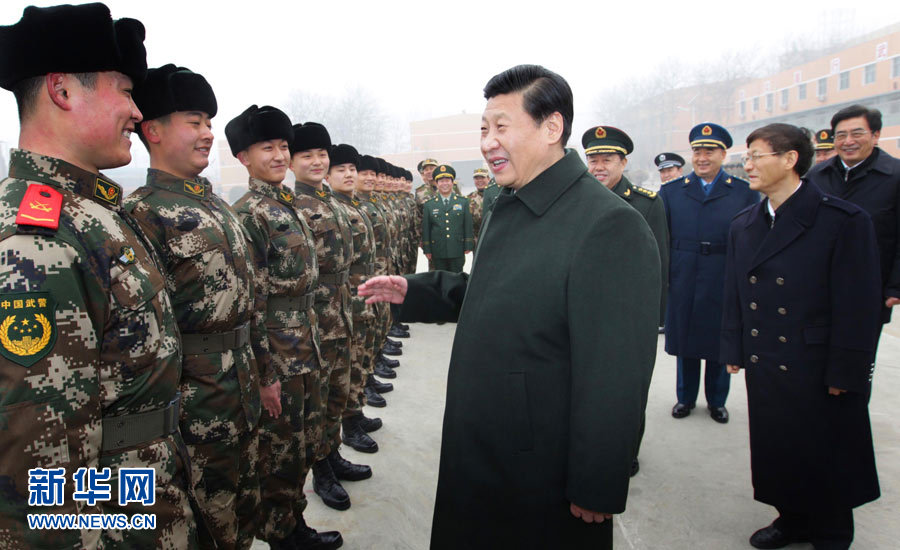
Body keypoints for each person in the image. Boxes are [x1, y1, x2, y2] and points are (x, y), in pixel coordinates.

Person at [359, 64, 659, 550]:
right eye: (484, 128)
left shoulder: (607, 225)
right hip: (483, 442)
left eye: (502, 127)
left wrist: (597, 480)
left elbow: (617, 371)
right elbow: (495, 292)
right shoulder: (511, 203)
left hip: (538, 463)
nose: (487, 142)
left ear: (552, 128)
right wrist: (415, 291)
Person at [0, 4, 199, 548]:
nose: (137, 112)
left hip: (143, 494)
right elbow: (40, 470)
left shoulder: (94, 213)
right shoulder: (37, 239)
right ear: (63, 91)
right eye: (124, 91)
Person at [722, 123, 881, 550]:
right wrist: (734, 345)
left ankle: (830, 531)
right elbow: (736, 291)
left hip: (817, 361)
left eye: (757, 155)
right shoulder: (745, 224)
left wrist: (846, 369)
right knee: (779, 447)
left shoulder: (842, 221)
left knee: (825, 451)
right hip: (766, 359)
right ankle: (791, 518)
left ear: (790, 159)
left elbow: (859, 305)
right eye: (747, 156)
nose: (747, 164)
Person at [125, 64, 261, 550]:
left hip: (240, 392)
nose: (208, 134)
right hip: (193, 411)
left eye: (209, 123)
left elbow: (250, 304)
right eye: (194, 121)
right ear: (153, 129)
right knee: (205, 525)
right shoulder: (141, 215)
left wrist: (262, 378)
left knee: (242, 513)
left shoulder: (219, 207)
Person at [291, 122, 369, 512]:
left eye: (322, 154)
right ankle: (321, 469)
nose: (317, 161)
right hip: (316, 322)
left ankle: (333, 454)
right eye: (307, 155)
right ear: (292, 162)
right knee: (319, 401)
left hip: (342, 313)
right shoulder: (295, 208)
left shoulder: (335, 204)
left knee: (338, 392)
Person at [582, 125, 668, 476]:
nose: (599, 166)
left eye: (606, 159)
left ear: (623, 162)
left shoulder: (647, 203)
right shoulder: (579, 197)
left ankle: (627, 451)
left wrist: (654, 320)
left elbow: (661, 264)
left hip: (630, 315)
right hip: (587, 310)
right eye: (593, 159)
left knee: (629, 389)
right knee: (589, 387)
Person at [659, 122, 759, 424]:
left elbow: (751, 239)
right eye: (697, 151)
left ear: (723, 154)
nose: (702, 157)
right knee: (685, 341)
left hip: (722, 273)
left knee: (720, 340)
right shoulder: (672, 191)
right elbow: (662, 238)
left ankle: (717, 401)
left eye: (709, 151)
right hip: (684, 273)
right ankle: (685, 398)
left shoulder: (742, 192)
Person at [806, 105, 900, 330]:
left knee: (856, 358)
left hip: (870, 286)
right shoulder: (817, 176)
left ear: (875, 135)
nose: (848, 141)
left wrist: (895, 286)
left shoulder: (895, 176)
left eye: (857, 134)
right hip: (817, 287)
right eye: (841, 135)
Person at [326, 143, 382, 454]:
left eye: (352, 169)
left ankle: (356, 414)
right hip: (347, 299)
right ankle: (349, 426)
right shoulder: (335, 208)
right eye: (341, 170)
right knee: (350, 362)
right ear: (328, 175)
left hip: (364, 292)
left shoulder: (353, 205)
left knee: (361, 358)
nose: (349, 175)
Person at [421, 164, 473, 273]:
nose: (445, 184)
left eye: (447, 180)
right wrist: (427, 248)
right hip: (437, 250)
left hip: (457, 248)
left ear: (452, 182)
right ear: (436, 183)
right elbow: (426, 229)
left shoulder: (463, 202)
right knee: (439, 279)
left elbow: (467, 225)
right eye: (441, 181)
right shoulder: (429, 205)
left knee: (457, 278)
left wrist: (468, 244)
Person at [467, 167, 490, 242]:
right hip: (477, 240)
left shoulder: (495, 195)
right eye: (477, 178)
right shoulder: (469, 199)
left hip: (494, 238)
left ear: (488, 179)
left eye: (482, 178)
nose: (479, 181)